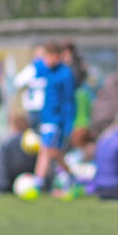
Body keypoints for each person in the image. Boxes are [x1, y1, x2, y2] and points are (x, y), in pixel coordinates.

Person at [34, 41, 76, 190]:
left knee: (46, 149)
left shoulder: (65, 74)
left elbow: (69, 101)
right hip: (45, 118)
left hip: (57, 120)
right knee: (54, 152)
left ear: (57, 57)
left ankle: (38, 182)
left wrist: (68, 125)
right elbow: (34, 66)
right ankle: (71, 177)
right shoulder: (45, 69)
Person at [13, 44, 47, 129]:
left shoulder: (49, 68)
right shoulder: (33, 68)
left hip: (43, 107)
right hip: (34, 108)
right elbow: (18, 81)